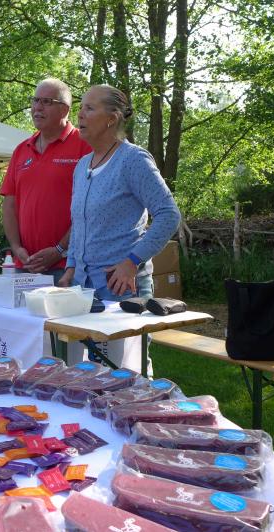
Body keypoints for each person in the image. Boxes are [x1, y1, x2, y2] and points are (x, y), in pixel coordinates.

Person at [59, 84, 181, 371]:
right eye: (81, 107)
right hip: (82, 289)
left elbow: (168, 215)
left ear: (112, 119)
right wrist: (71, 267)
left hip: (122, 290)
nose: (80, 114)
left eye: (89, 108)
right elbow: (80, 223)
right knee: (83, 374)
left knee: (126, 374)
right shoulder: (82, 166)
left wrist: (131, 262)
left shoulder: (133, 160)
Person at [0, 78, 91, 283]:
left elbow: (91, 210)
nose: (38, 107)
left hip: (68, 267)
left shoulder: (85, 146)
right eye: (35, 100)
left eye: (47, 102)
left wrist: (59, 250)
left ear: (65, 110)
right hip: (25, 266)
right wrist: (16, 248)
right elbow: (10, 204)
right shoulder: (22, 149)